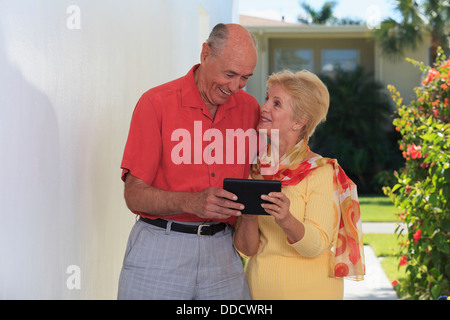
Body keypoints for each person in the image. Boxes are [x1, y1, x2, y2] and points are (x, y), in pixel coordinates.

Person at [118, 23, 260, 300]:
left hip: (223, 252)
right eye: (229, 74)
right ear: (205, 54)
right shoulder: (155, 103)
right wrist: (190, 202)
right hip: (160, 249)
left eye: (245, 78)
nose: (235, 87)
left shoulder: (250, 109)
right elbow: (133, 195)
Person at [233, 70, 365, 300]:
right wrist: (249, 217)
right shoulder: (255, 170)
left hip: (312, 292)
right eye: (266, 99)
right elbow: (246, 249)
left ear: (299, 122)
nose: (263, 108)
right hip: (257, 293)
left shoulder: (320, 171)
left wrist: (286, 219)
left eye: (276, 103)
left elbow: (316, 246)